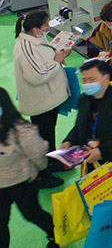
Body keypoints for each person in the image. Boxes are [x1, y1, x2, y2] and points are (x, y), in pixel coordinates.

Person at [12, 10, 70, 189]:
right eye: (46, 25)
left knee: (48, 132)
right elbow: (36, 76)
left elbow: (44, 59)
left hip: (48, 99)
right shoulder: (26, 48)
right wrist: (57, 61)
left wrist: (59, 54)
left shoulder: (36, 38)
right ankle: (40, 174)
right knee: (42, 137)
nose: (48, 27)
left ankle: (50, 161)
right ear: (36, 29)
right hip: (40, 102)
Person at [0, 87, 57, 248]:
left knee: (32, 214)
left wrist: (36, 172)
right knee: (1, 223)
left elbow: (38, 152)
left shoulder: (21, 130)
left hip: (22, 183)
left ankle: (55, 234)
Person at [61, 58, 112, 164]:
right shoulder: (84, 99)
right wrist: (69, 141)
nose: (88, 83)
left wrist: (101, 151)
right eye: (85, 80)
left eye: (92, 79)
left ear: (106, 78)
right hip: (90, 158)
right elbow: (80, 126)